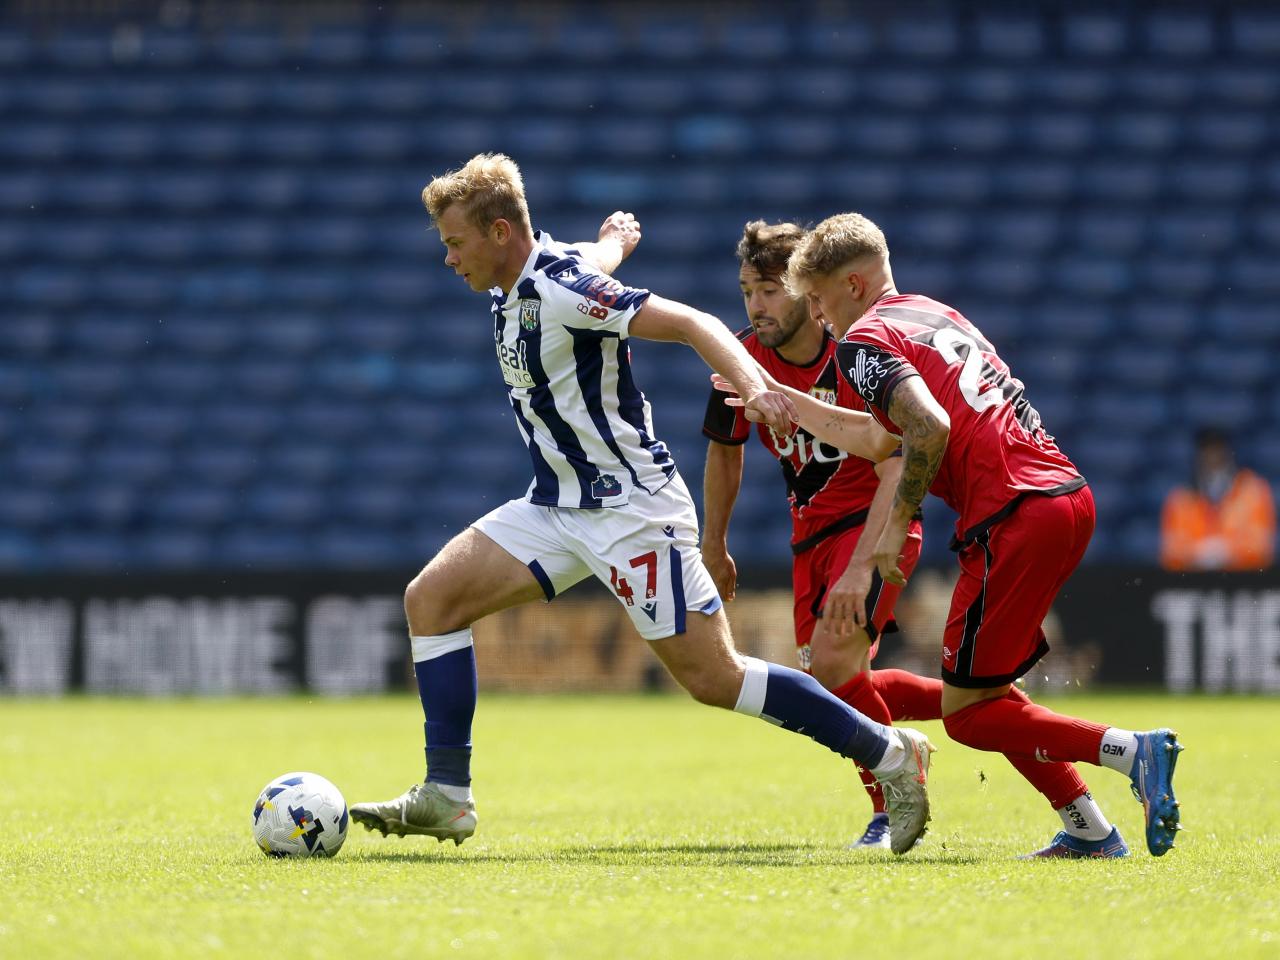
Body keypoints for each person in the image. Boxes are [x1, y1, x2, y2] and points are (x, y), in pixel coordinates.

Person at [348, 155, 936, 856]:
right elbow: (588, 258)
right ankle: (447, 794)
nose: (448, 258)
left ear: (500, 232)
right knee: (431, 599)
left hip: (631, 513)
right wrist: (615, 242)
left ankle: (890, 754)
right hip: (556, 506)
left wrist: (754, 386)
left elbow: (691, 321)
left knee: (715, 678)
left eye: (455, 242)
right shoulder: (536, 273)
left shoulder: (564, 289)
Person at [722, 211, 1183, 858]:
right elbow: (877, 436)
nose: (819, 315)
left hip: (1010, 515)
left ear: (852, 285)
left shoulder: (863, 341)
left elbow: (929, 427)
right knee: (982, 694)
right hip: (1064, 497)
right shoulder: (933, 314)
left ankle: (1132, 751)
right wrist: (779, 395)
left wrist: (891, 528)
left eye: (820, 298)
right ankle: (1088, 828)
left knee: (967, 716)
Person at [702, 221, 944, 850]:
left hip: (871, 524)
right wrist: (714, 543)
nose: (756, 306)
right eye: (747, 292)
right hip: (808, 536)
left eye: (769, 291)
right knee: (837, 679)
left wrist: (864, 562)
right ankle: (973, 700)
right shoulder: (740, 361)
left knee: (834, 667)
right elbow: (725, 451)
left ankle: (890, 804)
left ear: (808, 294)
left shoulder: (855, 353)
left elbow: (896, 455)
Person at [1160, 426, 1275, 571]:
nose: (1212, 457)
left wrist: (1227, 551)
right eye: (1206, 451)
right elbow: (1171, 551)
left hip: (1244, 578)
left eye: (1218, 450)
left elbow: (1261, 546)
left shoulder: (1253, 492)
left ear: (1229, 452)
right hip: (1194, 578)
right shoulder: (1181, 498)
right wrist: (1199, 553)